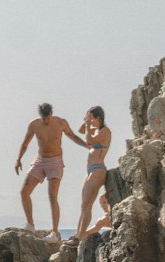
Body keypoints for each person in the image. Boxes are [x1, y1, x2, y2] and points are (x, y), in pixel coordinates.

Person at [14, 103, 87, 240]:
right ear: (40, 116)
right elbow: (25, 143)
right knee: (24, 192)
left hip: (55, 162)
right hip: (40, 160)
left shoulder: (61, 122)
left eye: (47, 118)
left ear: (51, 114)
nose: (46, 121)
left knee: (52, 197)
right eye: (43, 118)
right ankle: (30, 224)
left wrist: (87, 146)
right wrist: (18, 160)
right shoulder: (34, 125)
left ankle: (54, 232)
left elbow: (72, 136)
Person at [71, 106, 112, 241]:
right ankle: (78, 235)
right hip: (90, 170)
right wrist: (87, 121)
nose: (89, 121)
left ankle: (79, 236)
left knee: (88, 204)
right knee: (84, 205)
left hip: (98, 169)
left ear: (98, 118)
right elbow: (81, 130)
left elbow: (88, 141)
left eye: (91, 118)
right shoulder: (94, 130)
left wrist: (89, 124)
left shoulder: (105, 131)